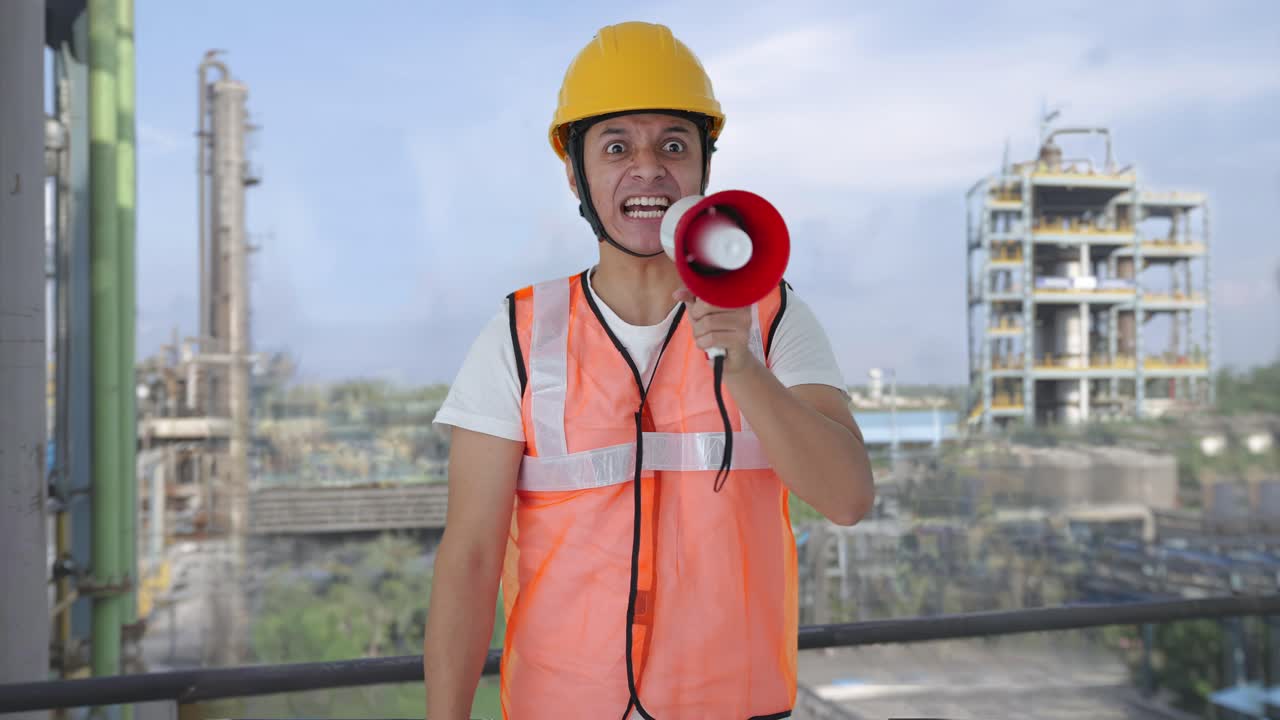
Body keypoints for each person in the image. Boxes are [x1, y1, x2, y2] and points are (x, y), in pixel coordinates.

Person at [423, 21, 875, 720]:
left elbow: (847, 498)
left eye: (673, 145)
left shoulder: (771, 314)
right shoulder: (519, 335)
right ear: (575, 173)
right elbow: (471, 561)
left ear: (703, 170)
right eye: (616, 147)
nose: (648, 169)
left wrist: (744, 368)